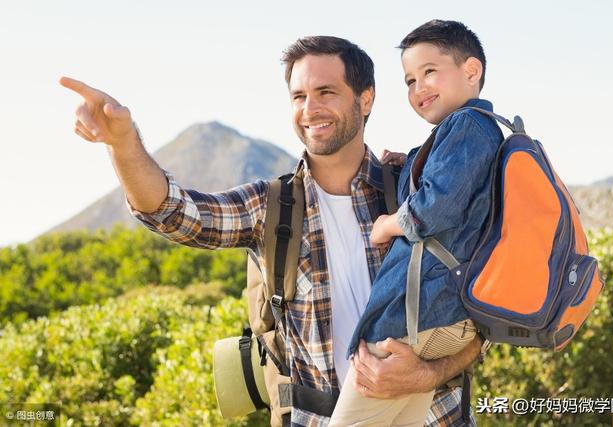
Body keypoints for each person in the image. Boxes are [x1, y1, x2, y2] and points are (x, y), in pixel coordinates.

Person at [60, 35, 483, 426]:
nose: (310, 108)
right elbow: (174, 213)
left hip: (437, 416)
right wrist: (123, 143)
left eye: (326, 92)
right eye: (298, 96)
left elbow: (485, 314)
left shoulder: (417, 190)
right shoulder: (270, 207)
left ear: (366, 99)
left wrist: (427, 372)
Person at [329, 20, 501, 426]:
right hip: (446, 321)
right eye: (409, 80)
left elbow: (435, 209)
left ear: (471, 71)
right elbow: (460, 193)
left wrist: (387, 225)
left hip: (414, 322)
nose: (418, 88)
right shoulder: (478, 133)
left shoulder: (467, 125)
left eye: (429, 72)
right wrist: (410, 164)